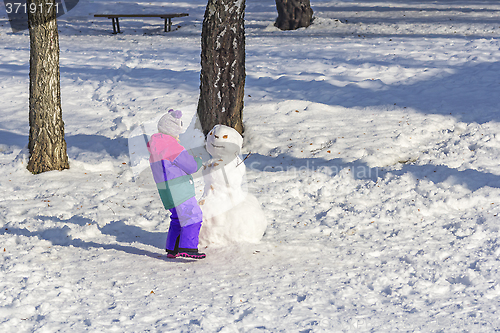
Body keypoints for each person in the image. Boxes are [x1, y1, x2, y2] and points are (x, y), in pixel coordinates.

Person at [147, 109, 205, 259]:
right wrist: (198, 160)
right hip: (178, 188)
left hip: (165, 190)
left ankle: (172, 248)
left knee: (177, 217)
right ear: (173, 129)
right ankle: (188, 247)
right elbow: (190, 166)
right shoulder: (171, 146)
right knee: (193, 214)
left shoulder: (156, 147)